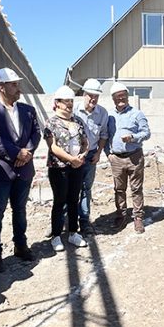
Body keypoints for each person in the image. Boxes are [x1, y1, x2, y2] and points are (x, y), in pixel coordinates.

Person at [0, 68, 41, 272]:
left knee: (20, 210)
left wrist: (27, 152)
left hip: (24, 170)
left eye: (17, 83)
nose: (17, 87)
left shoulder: (28, 110)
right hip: (1, 171)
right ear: (1, 87)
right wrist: (16, 154)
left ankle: (20, 245)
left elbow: (36, 134)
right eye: (13, 84)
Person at [44, 86, 89, 252]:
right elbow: (53, 147)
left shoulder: (77, 121)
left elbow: (85, 141)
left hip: (77, 166)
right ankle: (56, 235)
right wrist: (71, 159)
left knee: (73, 200)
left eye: (71, 101)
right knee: (59, 201)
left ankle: (73, 233)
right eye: (66, 101)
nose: (69, 104)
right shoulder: (51, 123)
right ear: (57, 103)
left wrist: (82, 156)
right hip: (59, 168)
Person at [108, 82, 151, 233]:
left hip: (134, 157)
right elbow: (105, 136)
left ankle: (138, 217)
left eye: (123, 96)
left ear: (127, 97)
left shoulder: (137, 114)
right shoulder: (110, 116)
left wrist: (133, 137)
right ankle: (121, 215)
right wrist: (109, 154)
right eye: (118, 96)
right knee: (119, 189)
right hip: (117, 159)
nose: (121, 99)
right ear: (113, 99)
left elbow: (146, 133)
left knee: (136, 188)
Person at [73, 78, 109, 235]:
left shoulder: (102, 113)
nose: (93, 99)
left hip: (91, 156)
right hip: (73, 157)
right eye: (90, 95)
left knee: (86, 189)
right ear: (83, 94)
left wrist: (98, 153)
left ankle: (85, 222)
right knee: (70, 189)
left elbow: (103, 135)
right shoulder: (73, 110)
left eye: (96, 96)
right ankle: (64, 221)